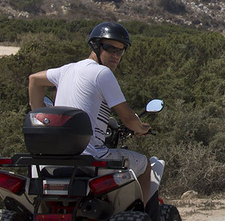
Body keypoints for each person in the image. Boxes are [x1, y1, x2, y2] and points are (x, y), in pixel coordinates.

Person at [28, 21, 154, 204]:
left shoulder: (67, 70)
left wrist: (40, 118)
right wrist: (142, 128)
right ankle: (142, 216)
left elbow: (34, 80)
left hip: (51, 158)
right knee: (144, 164)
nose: (116, 55)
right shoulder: (102, 73)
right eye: (110, 48)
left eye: (121, 51)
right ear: (96, 46)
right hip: (89, 157)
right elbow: (128, 118)